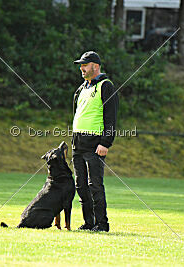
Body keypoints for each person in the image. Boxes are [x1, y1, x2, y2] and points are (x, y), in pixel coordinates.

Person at [72, 51, 118, 232]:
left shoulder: (106, 86)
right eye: (81, 65)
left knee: (95, 185)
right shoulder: (82, 88)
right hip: (78, 143)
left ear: (95, 66)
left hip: (95, 144)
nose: (81, 68)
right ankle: (88, 222)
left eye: (85, 64)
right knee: (81, 185)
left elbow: (111, 118)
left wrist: (106, 142)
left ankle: (101, 224)